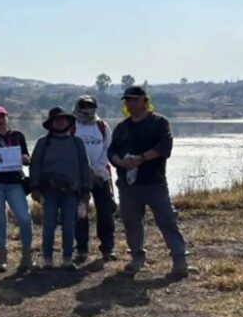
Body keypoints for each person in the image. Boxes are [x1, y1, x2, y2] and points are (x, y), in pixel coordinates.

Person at [108, 86, 193, 277]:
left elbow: (165, 147)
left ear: (145, 102)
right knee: (131, 223)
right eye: (128, 100)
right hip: (129, 186)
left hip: (155, 183)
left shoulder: (160, 123)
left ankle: (180, 261)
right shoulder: (122, 128)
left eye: (135, 100)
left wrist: (140, 158)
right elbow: (111, 151)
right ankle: (137, 257)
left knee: (167, 220)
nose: (130, 103)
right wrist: (121, 162)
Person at [30, 107, 93, 270]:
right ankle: (48, 259)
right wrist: (35, 187)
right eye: (57, 119)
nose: (60, 121)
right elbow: (35, 165)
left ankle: (67, 258)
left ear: (68, 121)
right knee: (49, 224)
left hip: (71, 192)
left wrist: (86, 189)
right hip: (48, 192)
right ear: (51, 123)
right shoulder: (42, 143)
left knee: (69, 224)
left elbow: (84, 166)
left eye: (63, 118)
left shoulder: (77, 142)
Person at [0, 106, 34, 272]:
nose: (0, 120)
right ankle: (2, 258)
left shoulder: (18, 136)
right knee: (0, 220)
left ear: (7, 117)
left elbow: (26, 158)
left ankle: (26, 255)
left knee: (24, 218)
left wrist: (25, 158)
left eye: (2, 116)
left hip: (14, 183)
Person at [72, 95, 117, 264]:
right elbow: (70, 151)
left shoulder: (102, 126)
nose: (87, 109)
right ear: (77, 107)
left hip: (101, 177)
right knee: (81, 214)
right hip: (80, 179)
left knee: (105, 213)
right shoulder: (72, 127)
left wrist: (97, 169)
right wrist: (86, 171)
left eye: (91, 106)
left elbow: (108, 148)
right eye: (83, 105)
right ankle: (82, 249)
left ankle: (107, 248)